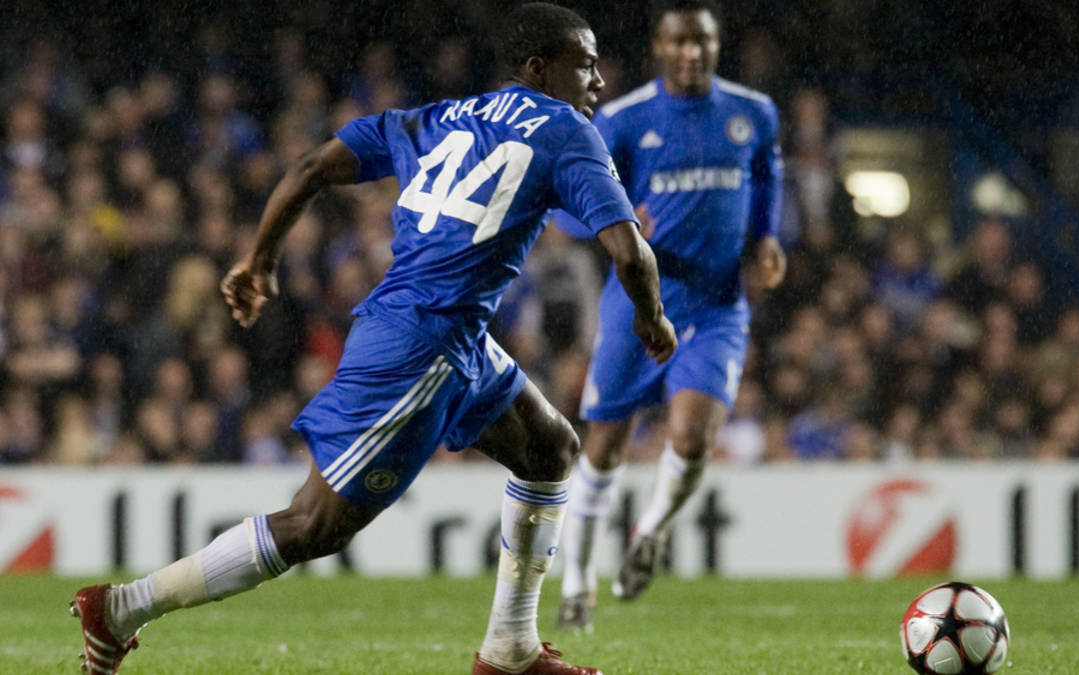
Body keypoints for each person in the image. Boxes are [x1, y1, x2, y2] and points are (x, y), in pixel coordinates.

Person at [69, 4, 676, 674]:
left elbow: (310, 167)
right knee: (314, 524)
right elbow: (629, 251)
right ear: (539, 68)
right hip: (421, 345)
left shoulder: (436, 117)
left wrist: (260, 260)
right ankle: (121, 607)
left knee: (549, 447)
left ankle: (511, 648)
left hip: (451, 335)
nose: (598, 79)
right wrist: (652, 318)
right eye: (585, 64)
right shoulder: (564, 128)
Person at [553, 0, 785, 632]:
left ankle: (650, 532)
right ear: (659, 47)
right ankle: (577, 584)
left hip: (716, 307)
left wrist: (766, 238)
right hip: (637, 307)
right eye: (680, 42)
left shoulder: (753, 113)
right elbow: (564, 207)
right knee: (604, 446)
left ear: (716, 44)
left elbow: (767, 177)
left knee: (693, 438)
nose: (692, 53)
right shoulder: (625, 120)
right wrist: (614, 220)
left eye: (702, 41)